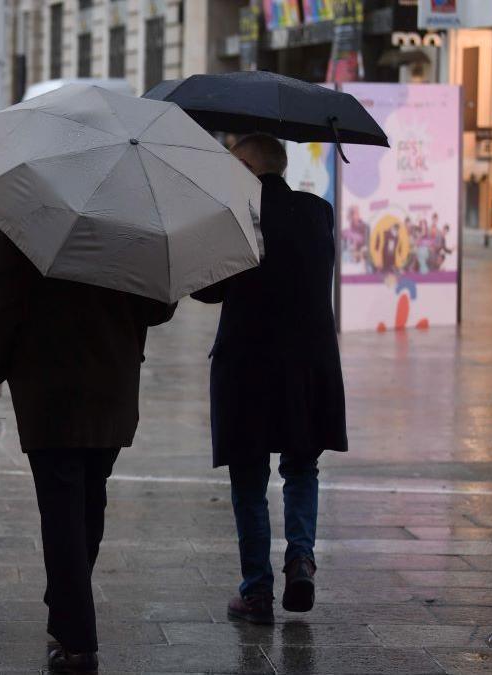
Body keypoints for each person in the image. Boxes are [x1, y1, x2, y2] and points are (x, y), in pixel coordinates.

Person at [0, 231, 176, 673]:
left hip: (50, 388)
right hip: (112, 385)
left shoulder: (27, 222)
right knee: (89, 498)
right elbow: (159, 305)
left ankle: (76, 638)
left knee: (63, 506)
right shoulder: (131, 224)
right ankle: (68, 602)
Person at [191, 133, 347, 625]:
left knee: (249, 479)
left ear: (244, 163)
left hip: (249, 365)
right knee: (302, 467)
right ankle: (300, 557)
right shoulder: (319, 212)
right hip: (308, 364)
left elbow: (210, 290)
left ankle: (256, 591)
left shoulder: (240, 214)